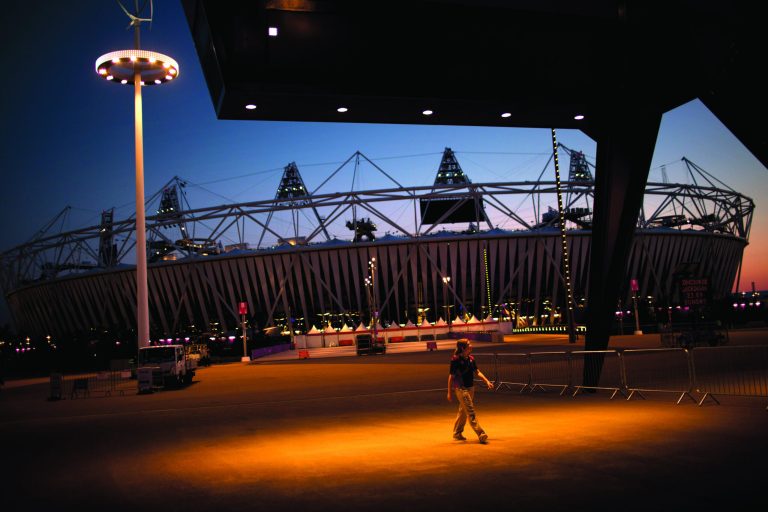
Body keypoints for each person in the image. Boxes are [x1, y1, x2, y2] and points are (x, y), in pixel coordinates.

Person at [447, 339, 493, 443]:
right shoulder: (455, 360)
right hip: (461, 388)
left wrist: (487, 381)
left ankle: (457, 433)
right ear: (463, 348)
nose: (471, 346)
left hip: (471, 388)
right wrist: (449, 392)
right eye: (469, 345)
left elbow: (477, 372)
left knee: (463, 411)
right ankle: (481, 433)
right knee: (471, 411)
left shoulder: (471, 359)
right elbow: (451, 377)